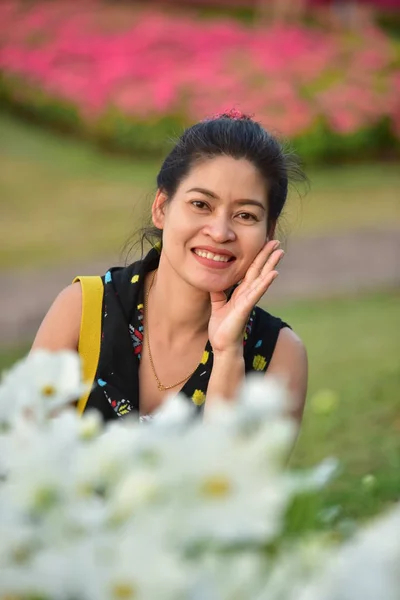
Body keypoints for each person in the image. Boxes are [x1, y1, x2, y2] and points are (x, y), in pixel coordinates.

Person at [32, 110, 308, 424]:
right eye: (201, 204)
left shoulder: (280, 355)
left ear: (268, 234)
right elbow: (26, 459)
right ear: (162, 208)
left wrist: (228, 353)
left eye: (245, 215)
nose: (220, 232)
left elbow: (234, 473)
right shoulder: (83, 310)